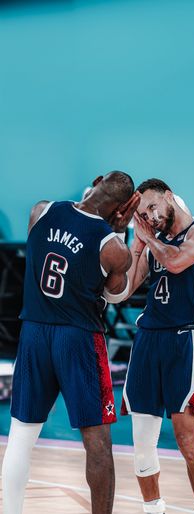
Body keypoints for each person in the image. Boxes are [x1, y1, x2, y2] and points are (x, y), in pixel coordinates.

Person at [1, 171, 141, 514]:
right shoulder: (111, 246)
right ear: (123, 207)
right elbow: (115, 294)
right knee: (97, 442)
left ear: (97, 181)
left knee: (21, 435)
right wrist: (119, 230)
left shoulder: (42, 210)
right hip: (77, 338)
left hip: (33, 333)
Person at [121, 178, 194, 514]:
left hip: (187, 339)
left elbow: (177, 262)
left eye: (151, 207)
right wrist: (137, 246)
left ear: (168, 197)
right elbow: (124, 289)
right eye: (142, 213)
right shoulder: (152, 240)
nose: (148, 216)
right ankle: (153, 509)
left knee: (187, 440)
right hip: (149, 339)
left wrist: (148, 238)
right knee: (141, 443)